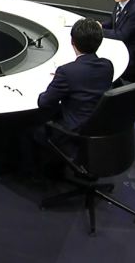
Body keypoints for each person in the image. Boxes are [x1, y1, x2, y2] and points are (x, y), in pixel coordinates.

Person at [20, 18, 113, 178]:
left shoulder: (67, 72)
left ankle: (34, 176)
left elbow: (44, 102)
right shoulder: (107, 66)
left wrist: (57, 82)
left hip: (73, 132)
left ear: (72, 42)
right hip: (99, 129)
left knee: (27, 128)